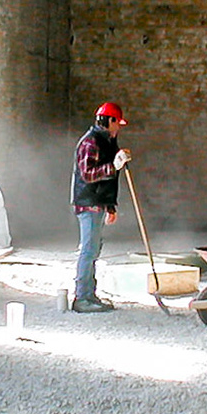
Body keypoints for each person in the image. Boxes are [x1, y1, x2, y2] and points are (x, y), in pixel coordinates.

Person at [71, 102, 132, 313]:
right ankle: (82, 298)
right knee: (88, 250)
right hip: (88, 203)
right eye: (117, 123)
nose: (119, 128)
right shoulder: (90, 142)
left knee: (94, 249)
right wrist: (113, 166)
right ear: (109, 121)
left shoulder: (108, 142)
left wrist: (110, 207)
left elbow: (108, 181)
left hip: (98, 203)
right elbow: (88, 174)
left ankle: (90, 294)